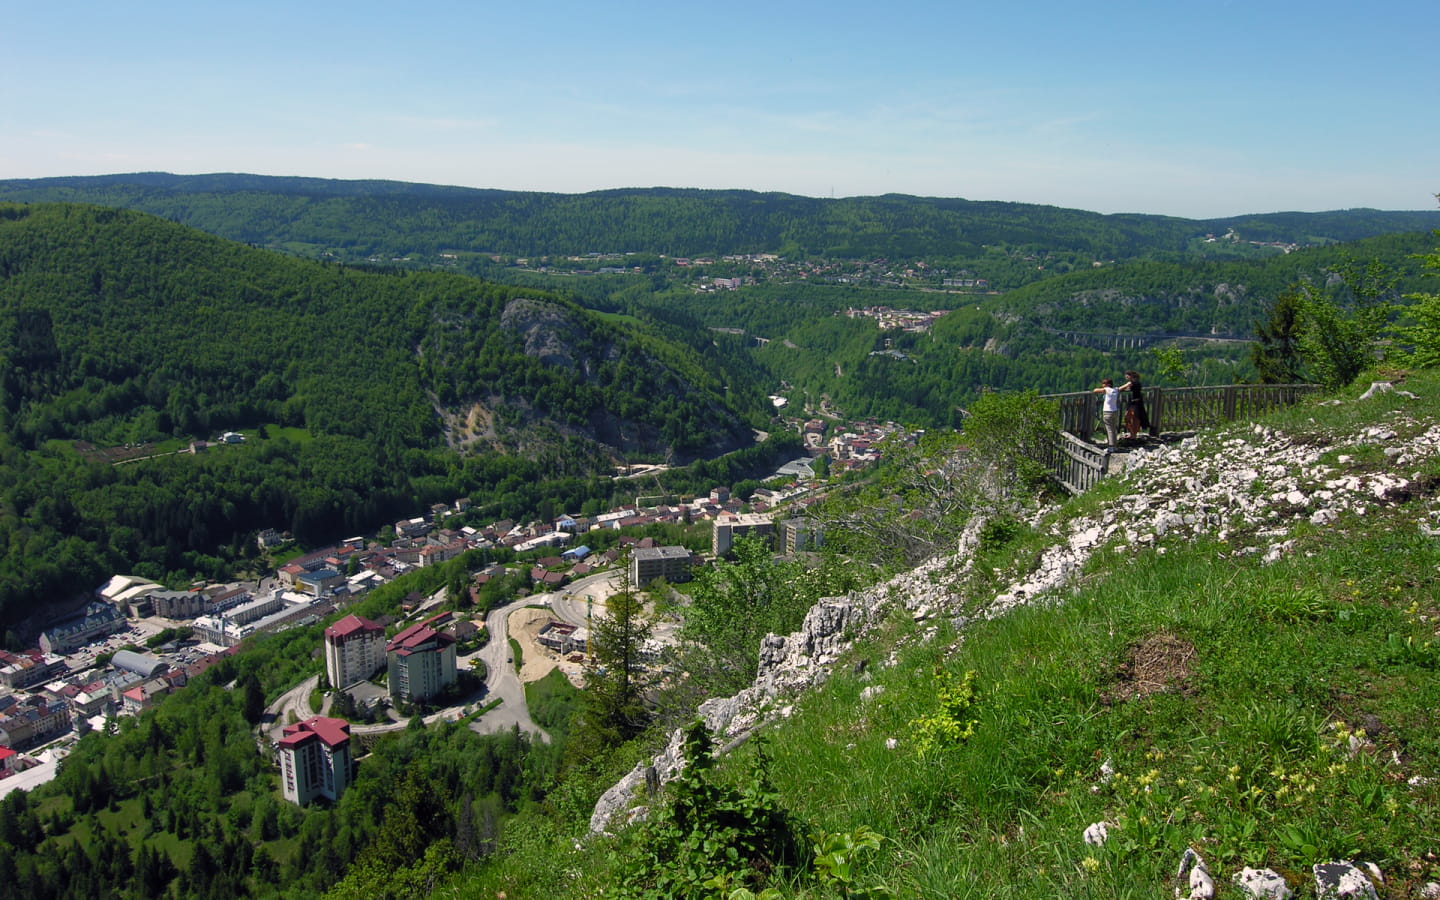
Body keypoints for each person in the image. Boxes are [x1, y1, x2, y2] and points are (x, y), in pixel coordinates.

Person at [1119, 370, 1150, 439]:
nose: (1126, 377)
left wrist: (1117, 389)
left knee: (1132, 418)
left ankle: (1133, 434)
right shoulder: (1136, 382)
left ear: (1130, 376)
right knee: (1134, 418)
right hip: (1136, 402)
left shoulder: (1131, 383)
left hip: (1135, 402)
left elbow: (1121, 388)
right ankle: (1133, 433)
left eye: (1127, 375)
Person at [1092, 378, 1119, 451]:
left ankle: (1111, 446)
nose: (1102, 385)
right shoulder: (1115, 389)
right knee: (1113, 429)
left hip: (1107, 412)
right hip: (1115, 411)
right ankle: (1115, 446)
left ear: (1108, 384)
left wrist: (1104, 389)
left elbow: (1095, 390)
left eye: (1104, 384)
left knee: (1109, 430)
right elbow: (1121, 387)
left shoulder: (1106, 389)